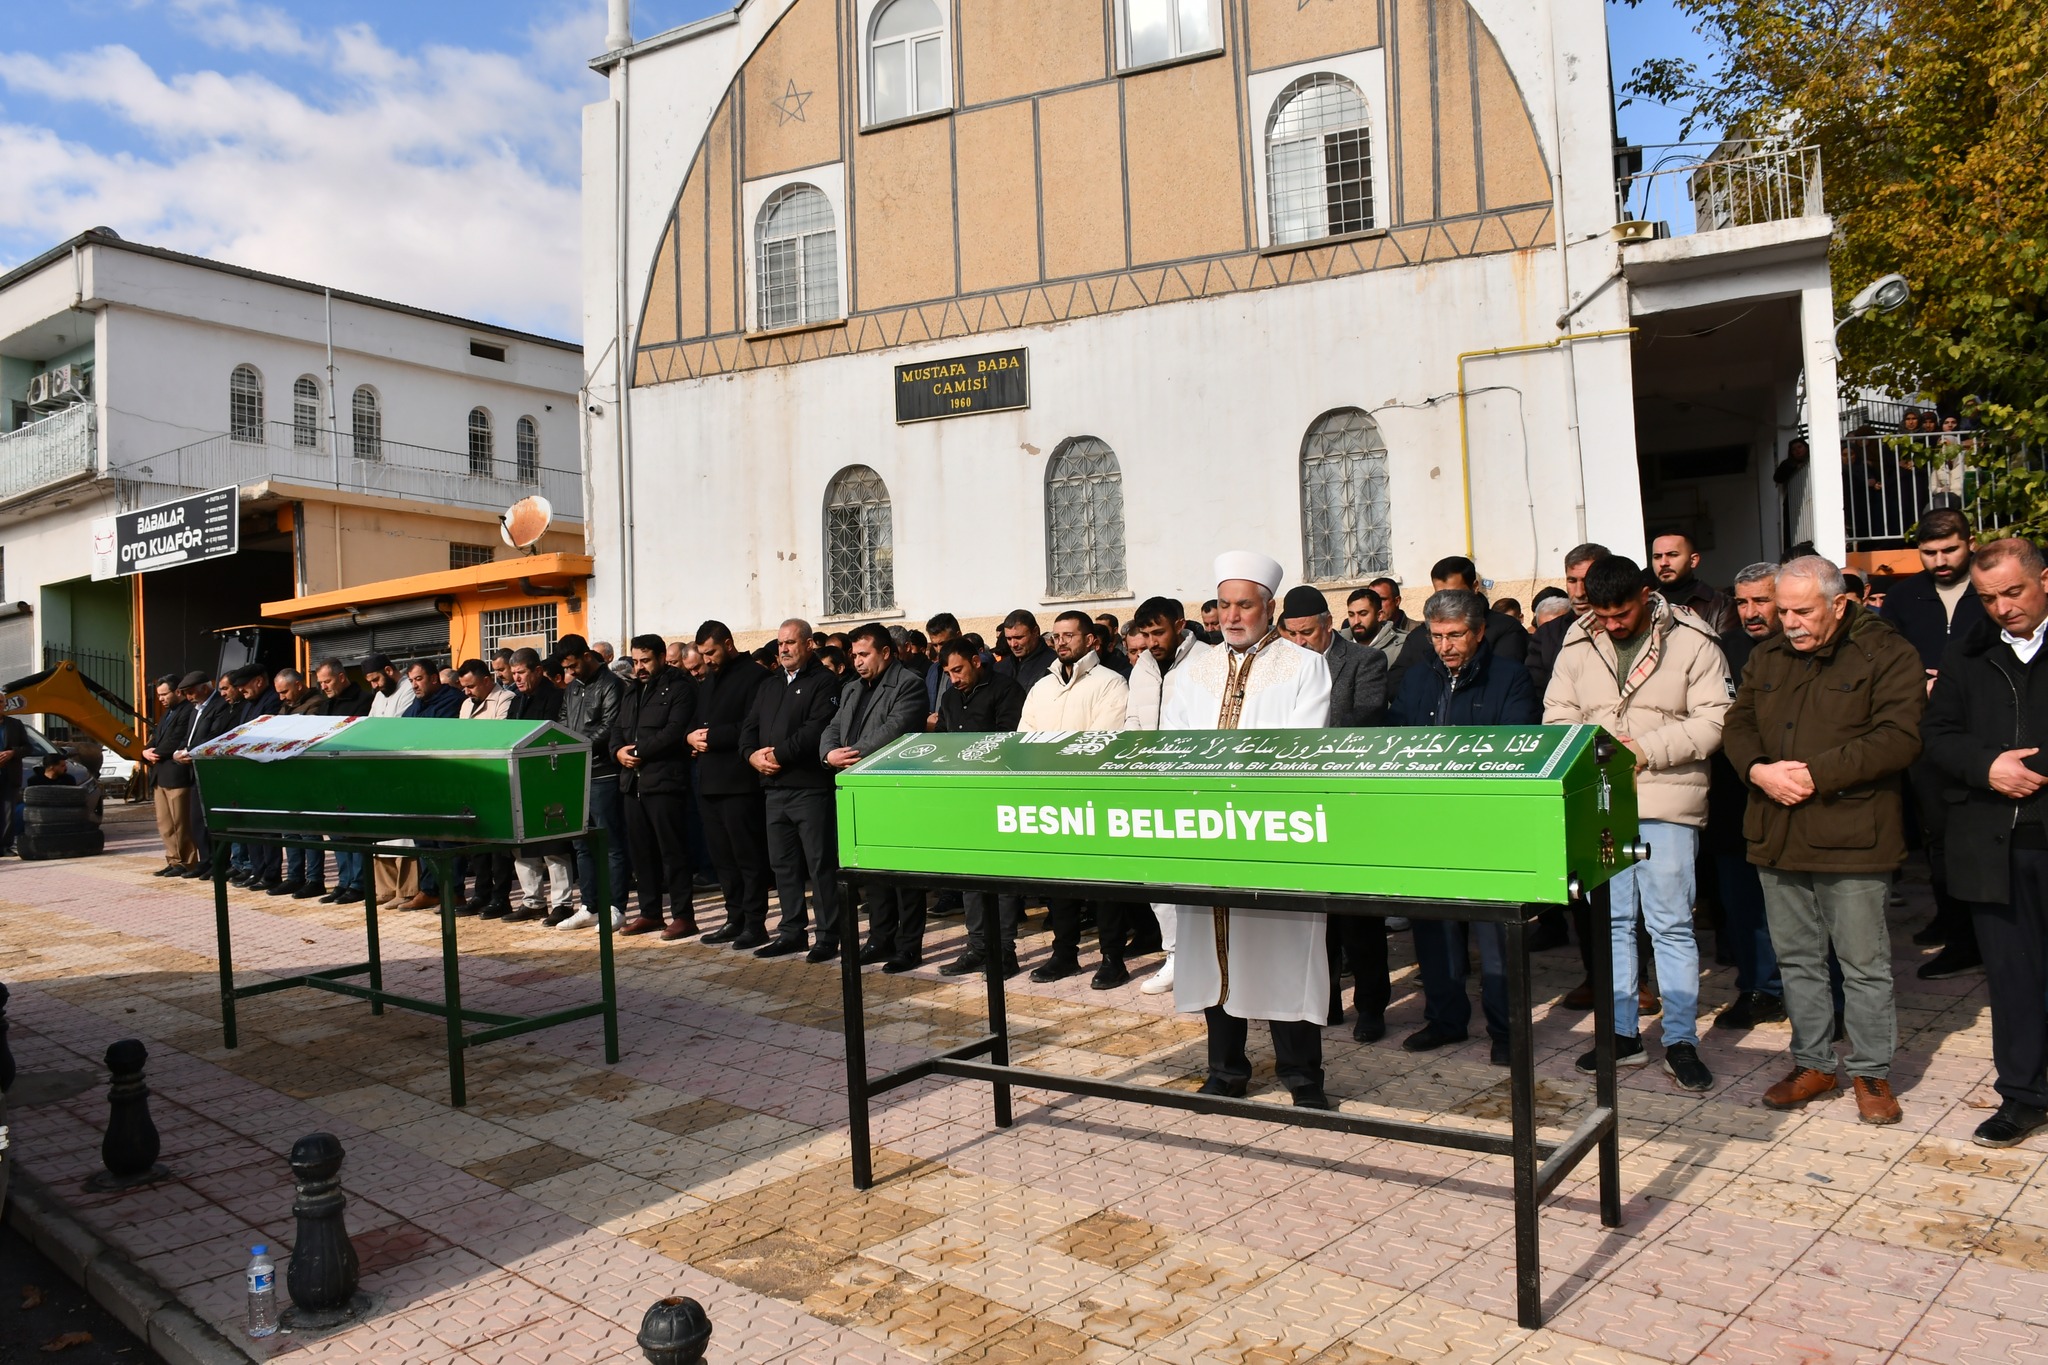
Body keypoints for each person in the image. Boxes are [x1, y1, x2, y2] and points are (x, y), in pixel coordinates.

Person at [1723, 555, 1924, 1125]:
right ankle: (1812, 1063)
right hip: (1777, 831)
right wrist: (1759, 770)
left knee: (1863, 964)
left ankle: (1872, 1072)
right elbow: (1738, 725)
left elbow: (1899, 737)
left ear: (1839, 604)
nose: (1790, 622)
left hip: (1853, 833)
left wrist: (1815, 773)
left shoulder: (1887, 653)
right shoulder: (1767, 657)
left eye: (1802, 610)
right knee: (1797, 960)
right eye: (1781, 610)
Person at [1545, 555, 1729, 1091]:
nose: (1613, 623)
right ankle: (1620, 1036)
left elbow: (1716, 720)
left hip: (1667, 800)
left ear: (1646, 595)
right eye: (1602, 614)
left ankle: (1680, 1040)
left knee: (1670, 923)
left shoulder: (1694, 640)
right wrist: (1598, 751)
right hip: (1601, 802)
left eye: (1622, 612)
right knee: (1613, 922)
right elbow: (1557, 716)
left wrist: (1642, 751)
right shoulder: (1578, 643)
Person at [1163, 551, 1335, 1108]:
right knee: (1214, 957)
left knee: (1285, 954)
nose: (1232, 616)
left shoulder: (1305, 666)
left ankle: (1302, 1076)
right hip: (1207, 833)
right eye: (1224, 605)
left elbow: (1303, 752)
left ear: (1270, 607)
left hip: (1271, 833)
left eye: (1245, 605)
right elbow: (1175, 749)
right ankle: (1226, 1069)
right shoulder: (1190, 670)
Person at [1923, 538, 2048, 1147]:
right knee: (2012, 976)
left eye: (2013, 592)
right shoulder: (1967, 650)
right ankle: (2025, 1096)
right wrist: (1988, 765)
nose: (2001, 608)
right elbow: (1937, 734)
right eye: (1988, 597)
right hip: (1994, 842)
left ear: (2044, 580)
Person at [1389, 590, 1540, 1063]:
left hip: (1485, 825)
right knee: (1434, 932)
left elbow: (1515, 748)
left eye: (1456, 635)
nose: (1446, 646)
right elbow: (1397, 742)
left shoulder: (1511, 679)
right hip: (1427, 823)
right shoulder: (1417, 679)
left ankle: (1506, 1033)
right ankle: (1445, 1020)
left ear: (1478, 632)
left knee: (1495, 938)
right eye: (1437, 636)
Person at [1279, 584, 1392, 1039]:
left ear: (1328, 625)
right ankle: (1324, 1002)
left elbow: (1363, 721)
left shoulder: (1365, 661)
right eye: (1292, 635)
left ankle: (1371, 1008)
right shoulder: (1282, 669)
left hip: (1347, 802)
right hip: (1299, 803)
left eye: (1307, 633)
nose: (1301, 642)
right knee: (1313, 919)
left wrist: (1308, 737)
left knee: (1358, 918)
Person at [1880, 507, 1988, 977]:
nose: (1941, 560)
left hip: (1986, 730)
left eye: (1950, 549)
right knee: (1939, 836)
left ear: (1970, 543)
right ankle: (1956, 929)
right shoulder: (1904, 598)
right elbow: (1888, 656)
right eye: (1930, 553)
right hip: (1926, 733)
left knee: (1983, 834)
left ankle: (1982, 933)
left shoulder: (1990, 590)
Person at [1021, 611, 1133, 987]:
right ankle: (1064, 954)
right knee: (1059, 884)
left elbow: (1102, 741)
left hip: (1093, 796)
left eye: (1069, 635)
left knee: (1104, 886)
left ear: (1091, 641)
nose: (1062, 642)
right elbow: (1026, 736)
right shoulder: (1043, 686)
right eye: (1057, 636)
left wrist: (1058, 758)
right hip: (1051, 798)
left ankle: (1112, 958)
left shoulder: (1111, 683)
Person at [822, 623, 931, 971]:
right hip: (860, 790)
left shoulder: (909, 684)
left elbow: (893, 731)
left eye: (864, 654)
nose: (857, 661)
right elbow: (832, 727)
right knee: (872, 871)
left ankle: (908, 946)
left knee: (904, 876)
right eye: (854, 655)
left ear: (885, 652)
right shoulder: (853, 688)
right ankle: (880, 938)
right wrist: (828, 755)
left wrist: (848, 754)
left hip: (895, 790)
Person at [1122, 595, 1214, 995]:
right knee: (1157, 879)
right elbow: (1133, 718)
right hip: (1149, 784)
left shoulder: (1209, 659)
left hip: (1192, 785)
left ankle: (1209, 956)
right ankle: (1175, 956)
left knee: (1198, 878)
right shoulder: (1142, 666)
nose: (1151, 641)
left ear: (1180, 624)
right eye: (1145, 634)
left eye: (1158, 632)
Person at [1712, 564, 1788, 1030]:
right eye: (1742, 602)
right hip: (1733, 798)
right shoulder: (1723, 652)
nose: (1751, 612)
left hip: (1792, 795)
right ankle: (1759, 989)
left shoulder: (1803, 648)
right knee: (1743, 905)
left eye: (1761, 601)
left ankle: (1822, 999)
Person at [742, 619, 844, 961]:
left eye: (790, 642)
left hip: (809, 789)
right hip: (773, 789)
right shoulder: (770, 685)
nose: (783, 649)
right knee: (782, 865)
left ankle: (829, 935)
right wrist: (751, 756)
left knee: (820, 865)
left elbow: (816, 729)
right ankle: (791, 932)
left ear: (808, 644)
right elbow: (749, 727)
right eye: (780, 643)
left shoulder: (824, 681)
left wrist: (777, 755)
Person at [933, 639, 1028, 977]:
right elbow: (942, 741)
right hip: (962, 797)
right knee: (969, 873)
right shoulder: (949, 698)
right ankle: (977, 946)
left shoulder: (1004, 689)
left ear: (976, 661)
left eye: (958, 670)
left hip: (996, 792)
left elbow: (1009, 738)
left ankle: (1004, 950)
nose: (954, 678)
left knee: (999, 875)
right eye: (948, 673)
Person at [690, 621, 774, 948]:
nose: (707, 660)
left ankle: (755, 923)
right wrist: (690, 736)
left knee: (748, 858)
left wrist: (712, 736)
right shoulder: (708, 681)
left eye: (711, 652)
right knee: (723, 859)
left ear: (728, 643)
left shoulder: (755, 677)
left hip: (740, 782)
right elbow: (697, 723)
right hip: (709, 782)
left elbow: (753, 726)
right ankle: (733, 917)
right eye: (702, 654)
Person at [607, 635, 698, 939]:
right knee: (641, 853)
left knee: (672, 852)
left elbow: (674, 731)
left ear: (660, 657)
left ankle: (683, 916)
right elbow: (618, 730)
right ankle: (650, 913)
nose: (639, 667)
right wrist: (619, 752)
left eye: (645, 660)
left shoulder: (680, 687)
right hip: (632, 783)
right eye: (635, 661)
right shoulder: (632, 690)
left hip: (664, 781)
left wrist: (639, 751)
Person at [494, 649, 574, 921]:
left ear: (538, 671)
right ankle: (533, 901)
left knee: (553, 844)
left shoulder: (556, 697)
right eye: (513, 673)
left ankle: (562, 903)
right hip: (520, 779)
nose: (516, 678)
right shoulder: (516, 701)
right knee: (523, 843)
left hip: (549, 777)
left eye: (522, 673)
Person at [559, 635, 632, 930]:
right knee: (582, 844)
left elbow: (609, 727)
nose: (571, 672)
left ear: (587, 656)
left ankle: (616, 906)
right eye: (566, 668)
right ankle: (589, 905)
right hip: (576, 774)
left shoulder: (612, 684)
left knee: (612, 844)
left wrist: (575, 747)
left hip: (603, 773)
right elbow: (562, 722)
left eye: (573, 665)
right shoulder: (571, 689)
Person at [1389, 557, 1529, 702]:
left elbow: (1504, 683)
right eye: (1441, 595)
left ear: (1475, 587)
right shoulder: (1419, 635)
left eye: (1456, 594)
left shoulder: (1506, 629)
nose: (1448, 602)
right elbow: (1396, 686)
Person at [452, 659, 517, 919]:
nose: (466, 692)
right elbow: (460, 738)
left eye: (471, 686)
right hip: (471, 775)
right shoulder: (466, 704)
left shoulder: (505, 698)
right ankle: (480, 893)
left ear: (487, 680)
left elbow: (497, 735)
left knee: (498, 843)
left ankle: (501, 897)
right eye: (464, 687)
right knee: (476, 839)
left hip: (496, 776)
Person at [310, 660, 370, 902]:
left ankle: (359, 883)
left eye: (327, 681)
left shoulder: (364, 701)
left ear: (342, 677)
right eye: (321, 682)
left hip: (353, 774)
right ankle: (344, 881)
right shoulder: (325, 705)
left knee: (354, 831)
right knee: (336, 832)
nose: (323, 686)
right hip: (329, 775)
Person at [1526, 543, 1609, 699]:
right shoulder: (1546, 635)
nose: (1579, 592)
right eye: (1572, 581)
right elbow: (1535, 692)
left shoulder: (1624, 628)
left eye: (1586, 581)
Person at [141, 673, 199, 876]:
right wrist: (145, 750)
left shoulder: (187, 711)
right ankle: (173, 859)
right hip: (160, 775)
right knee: (165, 823)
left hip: (177, 775)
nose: (161, 699)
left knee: (181, 822)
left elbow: (176, 740)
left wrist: (155, 752)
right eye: (158, 696)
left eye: (164, 694)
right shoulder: (166, 714)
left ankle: (187, 861)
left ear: (178, 692)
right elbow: (156, 736)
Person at [1648, 530, 1735, 633]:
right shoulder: (1646, 604)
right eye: (1657, 557)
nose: (1663, 563)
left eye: (1672, 555)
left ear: (1693, 560)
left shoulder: (1720, 604)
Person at [996, 610, 1058, 694]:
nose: (1013, 644)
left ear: (1035, 632)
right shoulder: (999, 668)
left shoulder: (1055, 665)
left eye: (1019, 637)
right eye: (1009, 639)